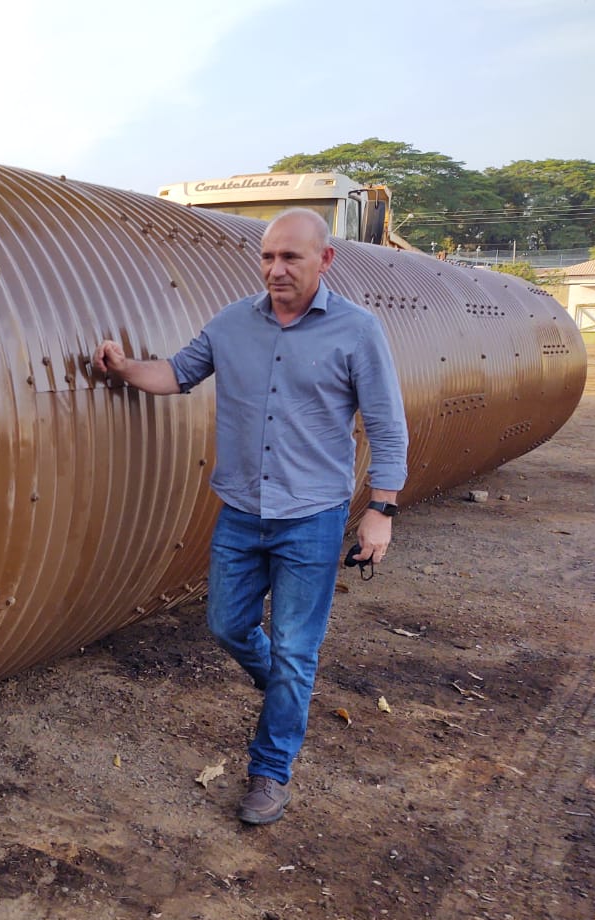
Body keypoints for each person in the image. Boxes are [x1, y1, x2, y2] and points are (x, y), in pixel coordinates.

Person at [93, 208, 408, 825]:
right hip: (241, 511)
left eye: (291, 257)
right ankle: (284, 690)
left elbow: (387, 425)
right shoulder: (233, 322)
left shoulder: (357, 331)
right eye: (267, 256)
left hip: (312, 516)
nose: (276, 269)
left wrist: (381, 510)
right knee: (227, 625)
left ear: (325, 260)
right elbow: (177, 373)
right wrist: (126, 369)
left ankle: (270, 770)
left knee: (296, 648)